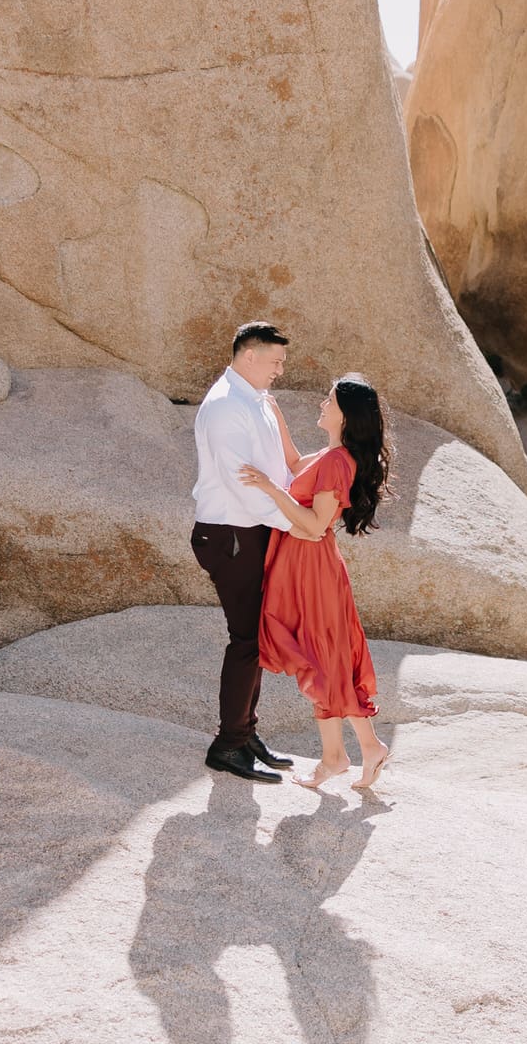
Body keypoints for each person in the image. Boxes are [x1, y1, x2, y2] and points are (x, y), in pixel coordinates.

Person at [238, 373, 391, 790]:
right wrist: (274, 413)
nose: (322, 405)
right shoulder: (331, 455)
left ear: (346, 413)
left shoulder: (338, 463)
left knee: (320, 658)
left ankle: (336, 757)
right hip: (304, 563)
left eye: (329, 400)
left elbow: (315, 523)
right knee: (326, 658)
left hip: (312, 569)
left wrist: (270, 489)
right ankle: (358, 750)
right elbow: (293, 464)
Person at [189, 321, 303, 784]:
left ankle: (245, 732)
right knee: (247, 640)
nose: (279, 370)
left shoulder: (254, 400)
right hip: (228, 535)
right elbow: (242, 484)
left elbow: (276, 471)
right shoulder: (223, 407)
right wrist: (296, 522)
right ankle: (228, 745)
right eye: (275, 361)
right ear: (249, 356)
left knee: (256, 637)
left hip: (249, 531)